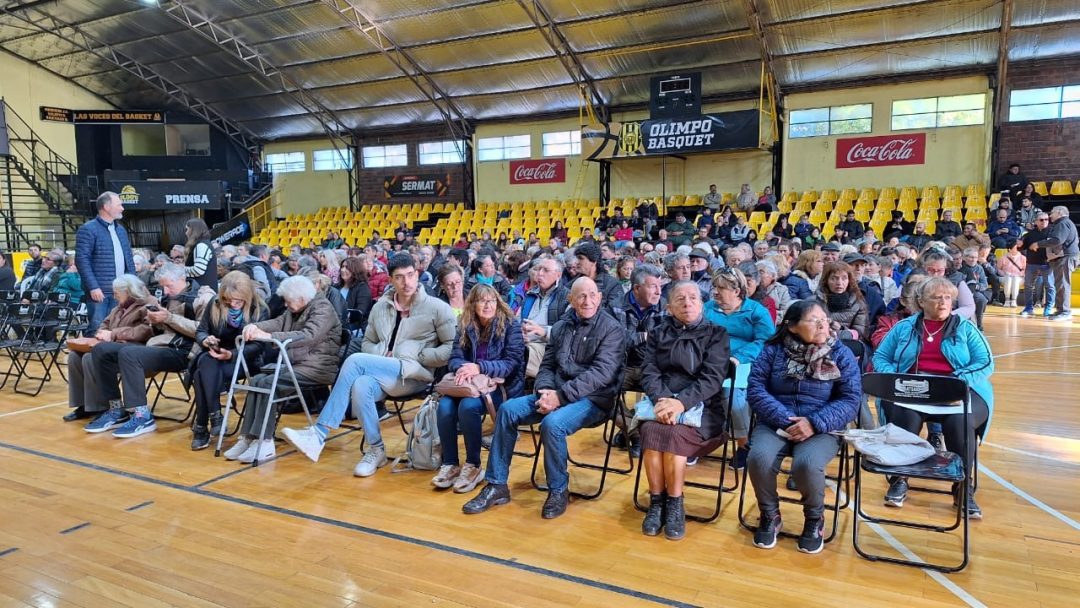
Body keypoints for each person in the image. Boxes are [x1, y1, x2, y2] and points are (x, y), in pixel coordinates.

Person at [461, 277, 624, 520]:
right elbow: (546, 365)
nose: (587, 300)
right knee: (507, 410)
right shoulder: (561, 327)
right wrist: (545, 390)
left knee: (552, 424)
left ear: (600, 297)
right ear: (571, 299)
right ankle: (496, 485)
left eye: (592, 295)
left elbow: (600, 375)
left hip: (593, 399)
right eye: (581, 295)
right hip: (554, 394)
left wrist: (560, 396)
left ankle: (558, 489)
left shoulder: (612, 329)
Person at [280, 253, 455, 476]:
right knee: (361, 384)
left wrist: (419, 356)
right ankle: (376, 449)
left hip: (413, 375)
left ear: (417, 274)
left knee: (354, 361)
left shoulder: (437, 308)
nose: (407, 282)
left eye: (411, 275)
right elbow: (368, 342)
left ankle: (319, 433)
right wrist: (382, 355)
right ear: (391, 280)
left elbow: (451, 347)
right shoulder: (380, 307)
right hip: (384, 371)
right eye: (400, 277)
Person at [873, 277, 994, 519]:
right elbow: (880, 357)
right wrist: (895, 378)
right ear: (921, 302)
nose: (944, 302)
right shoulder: (904, 327)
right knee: (904, 418)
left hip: (959, 389)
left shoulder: (965, 327)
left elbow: (986, 362)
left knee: (960, 424)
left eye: (948, 297)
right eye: (937, 297)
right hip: (911, 390)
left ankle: (962, 488)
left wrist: (959, 380)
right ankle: (900, 478)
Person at [747, 300, 862, 553]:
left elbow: (851, 399)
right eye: (813, 320)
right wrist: (785, 419)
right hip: (778, 421)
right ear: (793, 327)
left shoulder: (839, 353)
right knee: (758, 458)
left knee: (806, 464)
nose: (822, 324)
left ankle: (814, 519)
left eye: (824, 318)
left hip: (822, 426)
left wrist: (814, 423)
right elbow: (755, 389)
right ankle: (770, 514)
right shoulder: (772, 351)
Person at [638, 281, 731, 540]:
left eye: (693, 298)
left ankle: (675, 502)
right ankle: (658, 502)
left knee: (674, 438)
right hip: (663, 404)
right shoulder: (658, 332)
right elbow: (649, 370)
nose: (687, 303)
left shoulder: (717, 333)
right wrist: (662, 400)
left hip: (703, 407)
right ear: (669, 307)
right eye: (680, 299)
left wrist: (681, 403)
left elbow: (712, 379)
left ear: (702, 304)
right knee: (651, 433)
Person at [223, 275, 342, 463]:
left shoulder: (323, 309)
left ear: (301, 299)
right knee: (256, 381)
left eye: (288, 301)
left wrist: (269, 335)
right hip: (297, 364)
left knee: (268, 383)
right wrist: (255, 326)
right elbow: (278, 322)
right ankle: (249, 437)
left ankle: (265, 442)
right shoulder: (297, 307)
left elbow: (308, 335)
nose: (285, 305)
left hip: (317, 368)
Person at [86, 263, 209, 439]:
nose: (165, 291)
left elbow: (203, 331)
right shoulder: (167, 298)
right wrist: (155, 322)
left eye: (169, 286)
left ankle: (142, 415)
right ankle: (116, 408)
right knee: (101, 350)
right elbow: (157, 329)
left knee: (129, 353)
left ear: (183, 280)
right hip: (162, 345)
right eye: (163, 286)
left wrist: (169, 318)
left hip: (187, 351)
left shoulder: (203, 297)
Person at [432, 285, 525, 494]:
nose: (487, 305)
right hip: (470, 384)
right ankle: (451, 463)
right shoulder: (465, 324)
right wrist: (463, 368)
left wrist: (479, 367)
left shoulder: (510, 325)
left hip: (501, 387)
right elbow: (454, 357)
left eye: (491, 300)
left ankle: (473, 465)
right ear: (472, 304)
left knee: (468, 407)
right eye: (482, 301)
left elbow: (511, 364)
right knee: (445, 405)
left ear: (498, 302)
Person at [189, 271, 268, 450]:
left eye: (238, 301)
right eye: (228, 300)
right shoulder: (215, 303)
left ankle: (203, 425)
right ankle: (214, 417)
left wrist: (231, 354)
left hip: (244, 359)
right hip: (215, 355)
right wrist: (205, 339)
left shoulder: (259, 309)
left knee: (201, 375)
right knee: (207, 363)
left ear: (248, 297)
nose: (232, 304)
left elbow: (259, 346)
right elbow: (200, 331)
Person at [703, 267, 774, 465]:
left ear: (736, 291)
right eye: (714, 287)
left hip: (746, 362)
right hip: (710, 361)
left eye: (721, 288)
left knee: (731, 396)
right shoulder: (707, 308)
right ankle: (697, 441)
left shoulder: (755, 310)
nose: (715, 292)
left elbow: (766, 340)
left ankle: (744, 444)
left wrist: (739, 357)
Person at [63, 274, 154, 423]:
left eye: (117, 293)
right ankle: (84, 405)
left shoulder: (148, 303)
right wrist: (101, 333)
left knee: (89, 358)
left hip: (133, 351)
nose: (114, 296)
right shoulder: (119, 306)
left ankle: (100, 406)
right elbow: (105, 323)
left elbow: (146, 330)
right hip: (109, 348)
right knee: (74, 356)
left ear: (128, 291)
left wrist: (113, 334)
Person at [615, 264, 666, 453]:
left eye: (660, 286)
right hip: (622, 365)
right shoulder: (615, 306)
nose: (659, 291)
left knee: (665, 395)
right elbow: (617, 341)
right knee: (601, 395)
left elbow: (665, 342)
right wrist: (644, 337)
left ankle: (632, 432)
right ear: (637, 288)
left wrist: (634, 338)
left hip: (654, 367)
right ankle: (636, 434)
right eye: (653, 286)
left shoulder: (665, 306)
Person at [75, 191, 135, 335]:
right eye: (119, 204)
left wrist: (134, 284)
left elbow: (129, 258)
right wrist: (93, 287)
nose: (122, 208)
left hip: (121, 291)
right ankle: (88, 357)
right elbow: (82, 260)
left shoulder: (121, 230)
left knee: (116, 329)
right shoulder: (88, 229)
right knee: (97, 328)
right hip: (100, 291)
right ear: (107, 207)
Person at [515, 256, 568, 378]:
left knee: (516, 354)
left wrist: (543, 332)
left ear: (558, 275)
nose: (540, 273)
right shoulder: (530, 295)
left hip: (548, 348)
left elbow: (568, 332)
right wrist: (519, 333)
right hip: (525, 343)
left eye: (545, 270)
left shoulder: (566, 298)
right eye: (538, 269)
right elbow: (517, 322)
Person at [1035, 206, 1079, 321]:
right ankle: (1060, 310)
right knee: (1060, 284)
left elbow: (1057, 240)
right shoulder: (1064, 223)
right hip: (1064, 257)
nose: (1050, 215)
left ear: (1059, 213)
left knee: (1063, 284)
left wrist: (1039, 244)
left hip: (1066, 257)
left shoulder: (1063, 223)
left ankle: (1065, 311)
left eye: (1052, 213)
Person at [815, 262, 869, 341]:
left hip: (848, 344)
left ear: (849, 281)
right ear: (826, 281)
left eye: (844, 278)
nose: (839, 283)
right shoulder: (814, 302)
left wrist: (841, 329)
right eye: (834, 278)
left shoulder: (858, 303)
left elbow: (860, 334)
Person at [1020, 212, 1054, 317]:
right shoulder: (1030, 234)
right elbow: (1022, 247)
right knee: (1028, 286)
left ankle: (1048, 308)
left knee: (1049, 286)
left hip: (1047, 263)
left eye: (1046, 219)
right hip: (1031, 263)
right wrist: (1019, 245)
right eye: (1041, 220)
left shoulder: (1053, 232)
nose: (1044, 222)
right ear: (1036, 222)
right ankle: (1029, 308)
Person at [574, 242, 623, 311]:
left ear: (594, 261)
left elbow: (615, 315)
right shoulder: (573, 284)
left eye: (581, 258)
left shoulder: (612, 285)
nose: (576, 262)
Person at [338, 256, 373, 333]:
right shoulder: (336, 287)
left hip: (354, 326)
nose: (343, 270)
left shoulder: (362, 288)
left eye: (347, 267)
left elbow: (360, 312)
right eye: (342, 267)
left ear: (355, 270)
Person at [182, 218, 217, 290]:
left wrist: (180, 270)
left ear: (193, 230)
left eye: (187, 229)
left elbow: (198, 270)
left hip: (203, 291)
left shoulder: (201, 245)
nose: (186, 233)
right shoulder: (203, 244)